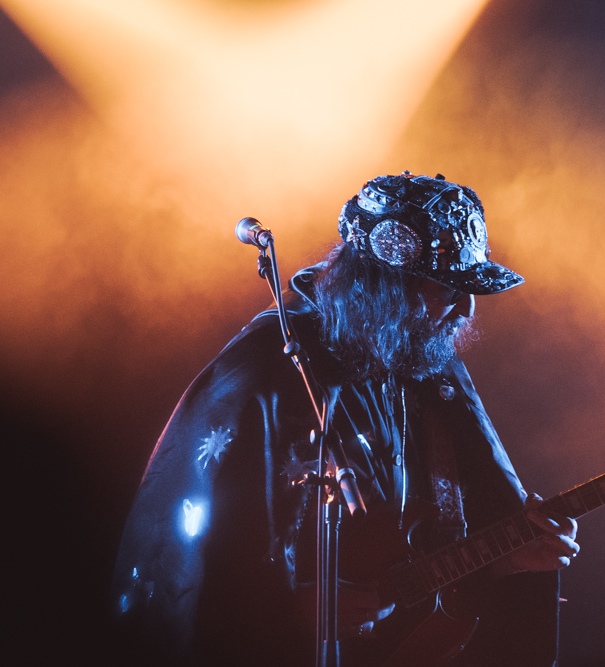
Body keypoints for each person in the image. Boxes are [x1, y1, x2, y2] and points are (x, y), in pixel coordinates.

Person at [112, 172, 580, 666]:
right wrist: (282, 611)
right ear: (389, 287)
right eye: (449, 288)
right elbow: (189, 560)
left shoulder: (424, 360)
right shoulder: (264, 372)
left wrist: (504, 558)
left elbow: (437, 540)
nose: (466, 308)